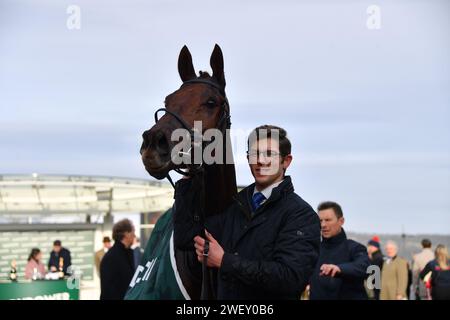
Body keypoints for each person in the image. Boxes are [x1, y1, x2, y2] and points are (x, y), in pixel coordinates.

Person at [174, 125, 321, 299]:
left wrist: (224, 261)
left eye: (269, 154)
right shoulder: (235, 208)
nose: (260, 160)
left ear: (286, 161)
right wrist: (189, 176)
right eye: (254, 154)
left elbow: (290, 278)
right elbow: (186, 238)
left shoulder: (301, 215)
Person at [309, 201, 370, 300]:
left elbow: (365, 266)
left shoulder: (355, 248)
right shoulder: (313, 250)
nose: (323, 225)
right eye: (320, 220)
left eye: (328, 220)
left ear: (341, 221)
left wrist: (340, 269)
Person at [100, 219, 136, 300]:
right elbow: (108, 290)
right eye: (133, 232)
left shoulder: (126, 253)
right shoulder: (112, 257)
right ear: (126, 234)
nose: (134, 235)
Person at [367, 236, 384, 300]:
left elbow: (373, 273)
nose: (368, 248)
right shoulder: (379, 256)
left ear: (372, 247)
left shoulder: (376, 258)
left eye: (369, 246)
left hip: (376, 286)